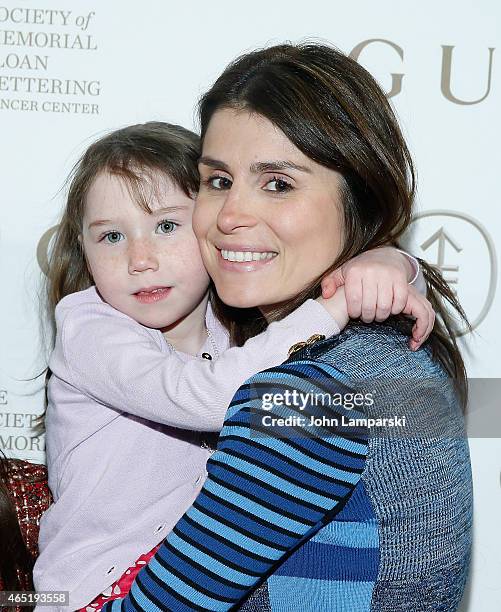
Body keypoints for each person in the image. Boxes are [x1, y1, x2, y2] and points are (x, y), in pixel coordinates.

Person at [103, 43, 473, 612]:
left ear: (359, 200)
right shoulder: (384, 363)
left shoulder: (304, 401)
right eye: (218, 180)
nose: (229, 215)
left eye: (278, 183)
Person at [32, 122, 430, 611]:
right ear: (84, 250)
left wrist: (392, 265)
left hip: (175, 572)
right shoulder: (89, 328)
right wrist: (332, 309)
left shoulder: (229, 328)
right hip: (96, 588)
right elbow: (205, 396)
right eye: (111, 236)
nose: (140, 258)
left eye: (166, 226)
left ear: (209, 226)